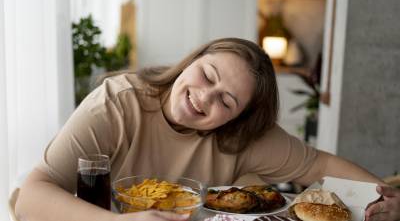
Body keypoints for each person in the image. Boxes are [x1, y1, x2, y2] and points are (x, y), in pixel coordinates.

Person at [16, 38, 400, 221]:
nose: (204, 97)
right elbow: (31, 196)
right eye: (207, 75)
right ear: (192, 60)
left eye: (227, 101)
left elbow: (319, 165)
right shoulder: (118, 103)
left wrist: (390, 198)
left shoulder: (244, 136)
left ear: (238, 119)